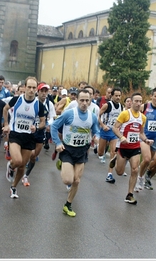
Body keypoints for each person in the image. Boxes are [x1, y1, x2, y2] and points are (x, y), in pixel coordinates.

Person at [50, 89, 100, 217]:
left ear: (90, 101)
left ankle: (68, 205)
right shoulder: (69, 114)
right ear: (77, 100)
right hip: (67, 149)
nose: (84, 103)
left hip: (82, 150)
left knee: (76, 181)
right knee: (68, 180)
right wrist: (57, 142)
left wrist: (96, 136)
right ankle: (62, 163)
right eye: (81, 100)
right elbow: (54, 126)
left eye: (87, 100)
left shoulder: (92, 116)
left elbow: (96, 130)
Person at [2, 76, 45, 199]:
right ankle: (10, 166)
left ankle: (14, 187)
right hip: (15, 134)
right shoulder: (16, 100)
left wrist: (36, 127)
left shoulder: (39, 105)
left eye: (34, 87)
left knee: (22, 166)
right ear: (24, 88)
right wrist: (6, 124)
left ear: (36, 89)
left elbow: (43, 122)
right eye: (29, 87)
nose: (31, 90)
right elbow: (5, 109)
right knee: (17, 161)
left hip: (29, 137)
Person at [109, 93, 152, 205]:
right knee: (119, 172)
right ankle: (116, 159)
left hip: (135, 147)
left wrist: (146, 140)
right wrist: (121, 137)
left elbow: (141, 133)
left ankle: (129, 195)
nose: (138, 103)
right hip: (123, 147)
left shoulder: (143, 117)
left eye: (140, 101)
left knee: (135, 170)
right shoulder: (125, 114)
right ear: (131, 102)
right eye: (136, 101)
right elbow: (115, 128)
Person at [22, 83, 55, 187]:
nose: (44, 93)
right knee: (29, 154)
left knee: (34, 156)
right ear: (38, 91)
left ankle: (26, 175)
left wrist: (47, 124)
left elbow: (52, 117)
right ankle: (18, 167)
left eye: (46, 91)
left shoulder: (49, 104)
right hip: (28, 131)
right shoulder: (32, 101)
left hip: (40, 132)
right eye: (42, 91)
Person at [97, 87, 123, 183]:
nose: (118, 97)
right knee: (100, 153)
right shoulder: (107, 105)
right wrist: (103, 125)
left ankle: (109, 174)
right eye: (116, 95)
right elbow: (98, 116)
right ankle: (99, 148)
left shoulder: (121, 107)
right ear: (112, 96)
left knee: (114, 152)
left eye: (119, 96)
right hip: (105, 131)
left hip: (114, 132)